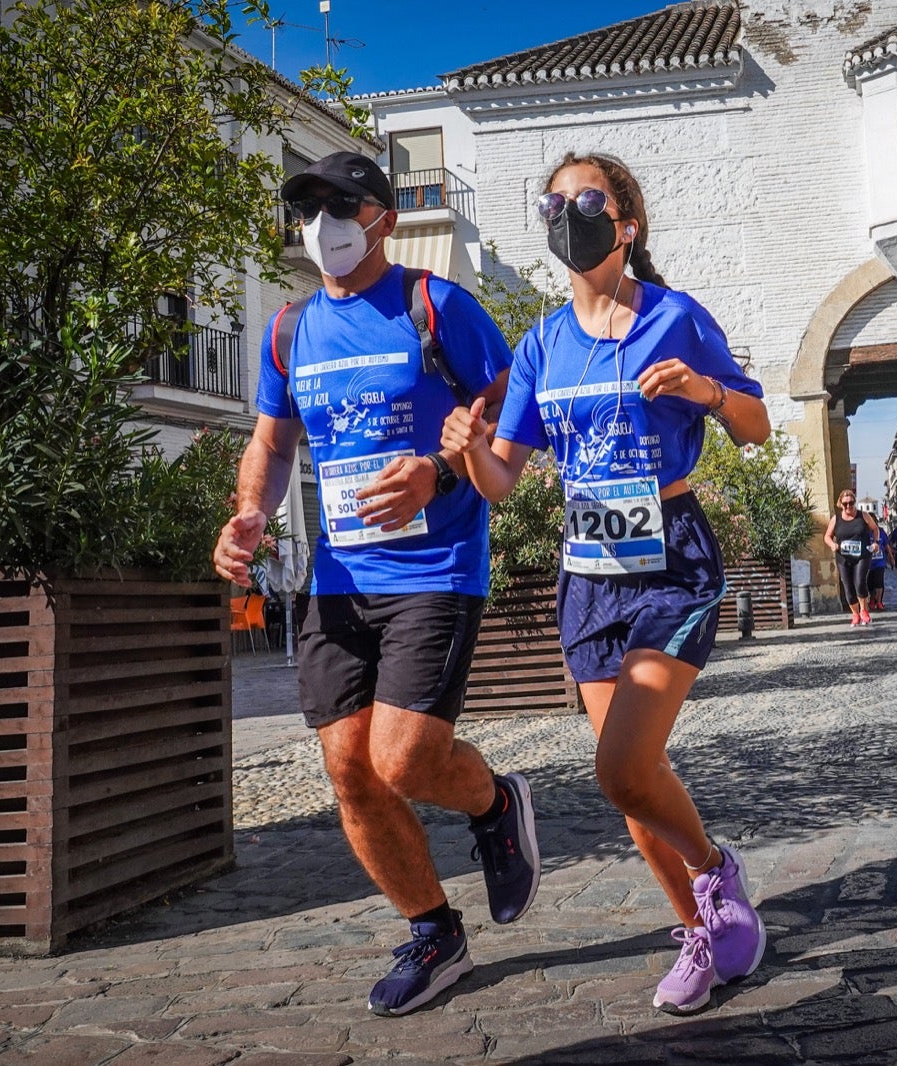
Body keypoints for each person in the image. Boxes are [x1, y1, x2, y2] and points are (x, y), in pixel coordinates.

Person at [437, 151, 769, 1016]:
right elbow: (502, 479)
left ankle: (714, 872)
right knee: (632, 780)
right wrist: (469, 449)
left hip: (670, 558)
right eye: (553, 203)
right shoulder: (543, 343)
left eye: (587, 199)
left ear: (627, 224)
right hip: (588, 571)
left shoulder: (675, 318)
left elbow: (758, 423)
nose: (567, 213)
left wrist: (704, 390)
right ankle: (700, 924)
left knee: (622, 767)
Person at [211, 152, 540, 1019]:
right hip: (340, 580)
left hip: (436, 570)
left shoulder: (437, 306)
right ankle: (434, 930)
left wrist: (442, 467)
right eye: (307, 207)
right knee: (350, 773)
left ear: (383, 216)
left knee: (402, 760)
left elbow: (512, 413)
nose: (322, 221)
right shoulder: (289, 330)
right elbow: (273, 443)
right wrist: (250, 512)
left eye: (339, 203)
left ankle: (498, 802)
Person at [824, 489, 878, 627]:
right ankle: (855, 614)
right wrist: (832, 544)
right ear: (840, 504)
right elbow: (827, 536)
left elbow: (875, 528)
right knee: (848, 586)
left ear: (855, 502)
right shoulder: (836, 519)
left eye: (851, 503)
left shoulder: (863, 516)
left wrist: (875, 542)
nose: (848, 506)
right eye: (845, 504)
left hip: (862, 555)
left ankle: (864, 611)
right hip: (843, 557)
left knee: (860, 582)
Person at [868, 516, 890, 612]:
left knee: (879, 582)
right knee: (870, 583)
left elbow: (886, 545)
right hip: (868, 562)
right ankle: (872, 599)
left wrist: (891, 558)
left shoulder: (881, 531)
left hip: (880, 561)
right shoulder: (864, 532)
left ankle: (879, 601)